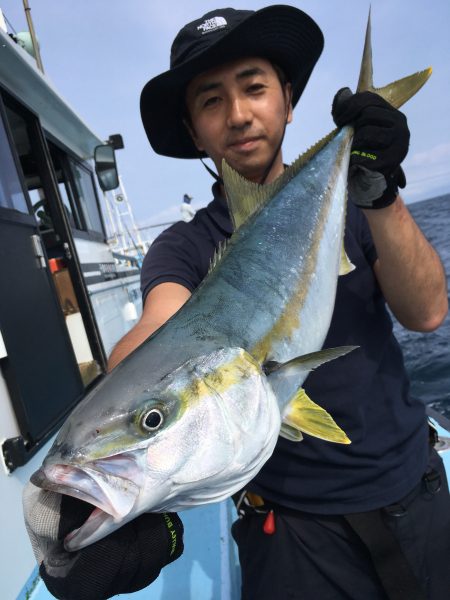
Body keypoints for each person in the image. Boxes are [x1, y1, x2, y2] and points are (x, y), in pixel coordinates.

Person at [24, 6, 449, 600]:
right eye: (211, 101)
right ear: (195, 132)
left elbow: (428, 313)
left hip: (418, 490)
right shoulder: (185, 247)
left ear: (288, 101)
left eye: (254, 88)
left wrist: (381, 194)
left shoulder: (354, 204)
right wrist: (88, 460)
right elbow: (161, 326)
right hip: (292, 533)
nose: (239, 114)